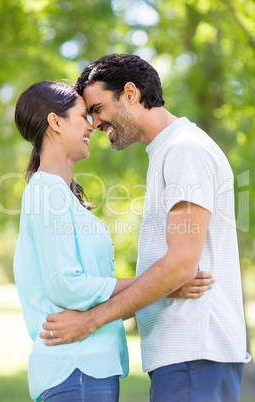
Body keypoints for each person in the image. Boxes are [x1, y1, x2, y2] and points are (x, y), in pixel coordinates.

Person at [39, 55, 251, 402]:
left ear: (131, 93)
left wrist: (91, 320)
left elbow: (182, 265)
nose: (93, 123)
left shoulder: (184, 150)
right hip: (187, 358)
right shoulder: (169, 151)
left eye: (98, 108)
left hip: (193, 354)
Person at [14, 80, 212, 402]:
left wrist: (155, 288)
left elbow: (92, 290)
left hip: (88, 369)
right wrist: (162, 285)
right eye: (83, 116)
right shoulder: (46, 192)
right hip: (75, 368)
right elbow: (67, 286)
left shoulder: (61, 195)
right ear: (55, 122)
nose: (92, 125)